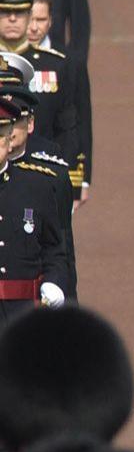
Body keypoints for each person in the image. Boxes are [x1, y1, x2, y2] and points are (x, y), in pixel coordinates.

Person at [0, 0, 85, 190]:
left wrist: (70, 179)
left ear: (30, 18)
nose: (12, 19)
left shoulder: (56, 64)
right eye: (4, 12)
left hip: (41, 174)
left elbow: (67, 127)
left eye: (19, 13)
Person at [0, 92, 68, 319]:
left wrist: (54, 283)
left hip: (22, 314)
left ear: (9, 140)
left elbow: (55, 251)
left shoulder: (36, 186)